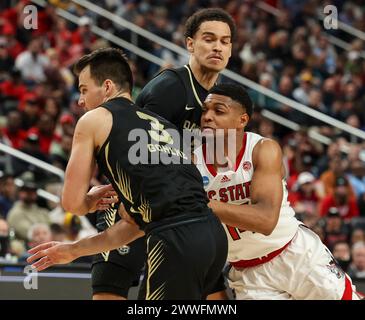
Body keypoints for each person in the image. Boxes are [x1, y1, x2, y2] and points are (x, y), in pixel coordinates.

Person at [27, 48, 227, 300]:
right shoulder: (162, 124)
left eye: (84, 89)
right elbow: (134, 227)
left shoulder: (94, 119)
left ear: (107, 87)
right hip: (213, 237)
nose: (80, 100)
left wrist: (89, 201)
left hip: (175, 239)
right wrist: (73, 250)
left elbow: (71, 203)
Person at [93, 7, 236, 300]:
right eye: (209, 39)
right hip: (132, 201)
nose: (218, 47)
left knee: (209, 291)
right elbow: (134, 153)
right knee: (111, 290)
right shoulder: (170, 88)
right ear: (190, 44)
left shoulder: (222, 98)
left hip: (175, 212)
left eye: (225, 41)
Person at [194, 83, 360, 299]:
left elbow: (265, 220)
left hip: (295, 254)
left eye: (218, 111)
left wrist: (202, 204)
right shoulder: (192, 163)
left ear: (242, 120)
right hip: (249, 274)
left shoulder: (263, 149)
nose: (207, 116)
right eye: (205, 110)